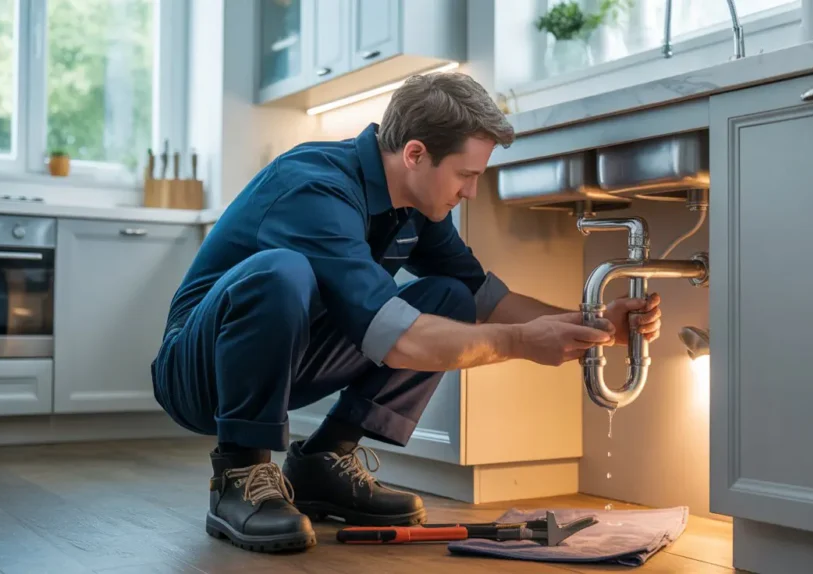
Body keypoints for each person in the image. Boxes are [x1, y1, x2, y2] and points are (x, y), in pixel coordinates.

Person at [149, 72, 662, 553]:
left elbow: (487, 301)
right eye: (465, 175)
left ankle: (324, 462)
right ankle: (240, 473)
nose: (470, 191)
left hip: (288, 361)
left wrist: (596, 326)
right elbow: (401, 339)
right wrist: (520, 342)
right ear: (415, 153)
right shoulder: (314, 187)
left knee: (451, 299)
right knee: (281, 272)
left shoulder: (414, 206)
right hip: (199, 375)